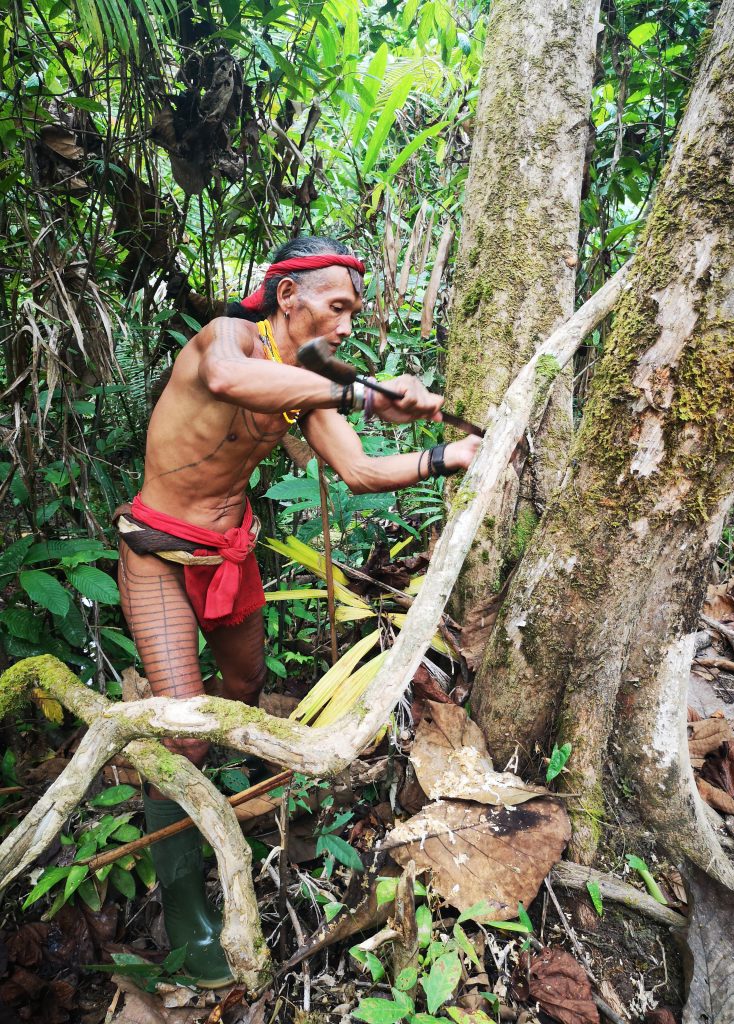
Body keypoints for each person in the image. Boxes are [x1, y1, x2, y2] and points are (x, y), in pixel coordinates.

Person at [116, 236, 481, 986]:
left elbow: (359, 469)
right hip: (158, 554)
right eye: (338, 307)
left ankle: (250, 801)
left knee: (244, 691)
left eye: (353, 312)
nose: (348, 326)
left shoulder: (310, 383)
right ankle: (187, 914)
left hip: (233, 553)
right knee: (185, 736)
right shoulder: (229, 338)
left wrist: (453, 456)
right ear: (289, 298)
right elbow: (227, 375)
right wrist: (368, 391)